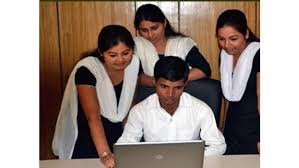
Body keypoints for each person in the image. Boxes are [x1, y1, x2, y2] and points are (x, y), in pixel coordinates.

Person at [52, 25, 140, 168]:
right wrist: (105, 154)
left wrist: (126, 143)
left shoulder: (134, 64)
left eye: (126, 53)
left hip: (118, 137)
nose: (120, 60)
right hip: (88, 139)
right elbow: (93, 118)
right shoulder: (87, 70)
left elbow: (130, 105)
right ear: (101, 52)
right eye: (112, 55)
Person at [117, 56, 226, 156]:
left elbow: (218, 146)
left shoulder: (201, 109)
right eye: (164, 86)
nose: (170, 94)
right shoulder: (139, 111)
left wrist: (189, 157)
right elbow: (125, 147)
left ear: (185, 84)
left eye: (177, 88)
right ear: (154, 82)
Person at [134, 4, 211, 88]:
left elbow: (203, 69)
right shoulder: (136, 46)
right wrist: (159, 83)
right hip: (149, 97)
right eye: (144, 30)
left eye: (154, 28)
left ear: (164, 23)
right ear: (138, 30)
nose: (150, 34)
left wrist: (175, 81)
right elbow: (134, 76)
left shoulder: (182, 44)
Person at [216, 9, 260, 154]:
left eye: (233, 39)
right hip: (232, 129)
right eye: (221, 39)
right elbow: (228, 98)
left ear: (246, 34)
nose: (227, 45)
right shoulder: (225, 56)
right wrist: (222, 128)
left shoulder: (259, 54)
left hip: (255, 131)